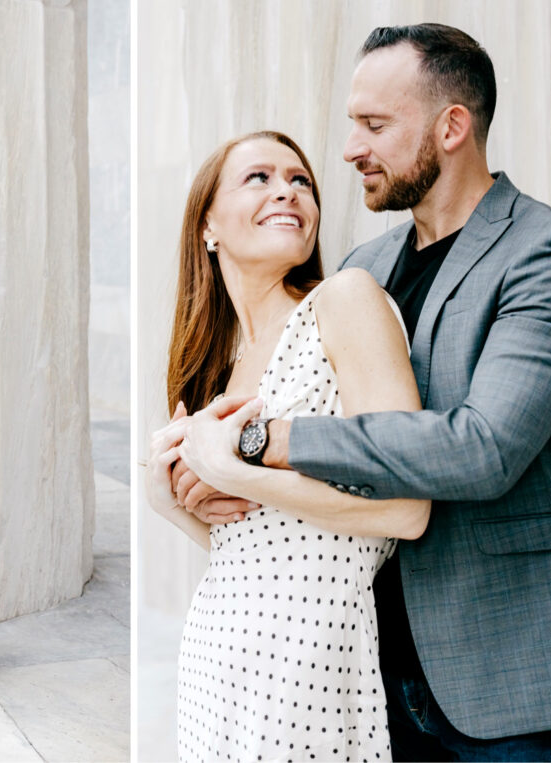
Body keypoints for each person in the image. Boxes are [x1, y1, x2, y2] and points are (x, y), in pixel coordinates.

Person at [177, 24, 551, 760]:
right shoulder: (365, 265)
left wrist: (263, 442)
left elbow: (484, 448)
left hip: (506, 670)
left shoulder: (549, 251)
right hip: (368, 670)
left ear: (452, 127)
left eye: (374, 125)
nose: (351, 148)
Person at [146, 130, 432, 761]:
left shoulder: (344, 300)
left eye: (301, 181)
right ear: (208, 226)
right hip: (216, 656)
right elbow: (258, 547)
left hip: (311, 665)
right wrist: (166, 503)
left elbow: (408, 512)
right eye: (260, 178)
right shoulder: (218, 367)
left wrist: (233, 470)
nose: (289, 191)